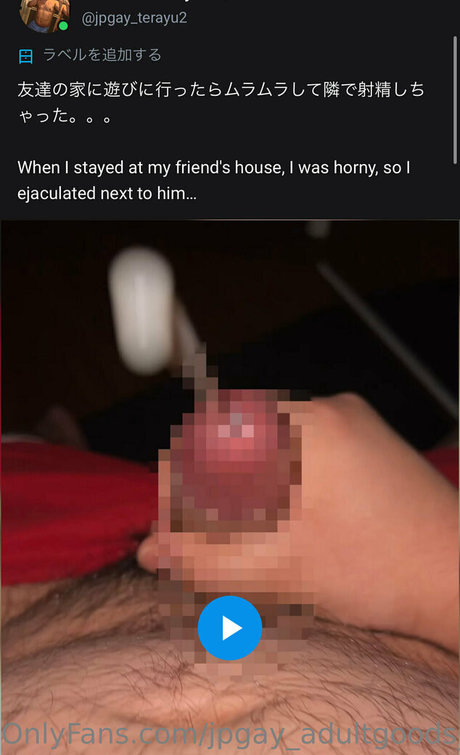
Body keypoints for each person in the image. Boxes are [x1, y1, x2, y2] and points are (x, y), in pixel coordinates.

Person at [2, 394, 458, 753]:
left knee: (30, 464)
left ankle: (50, 445)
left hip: (40, 583)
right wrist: (436, 562)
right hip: (391, 575)